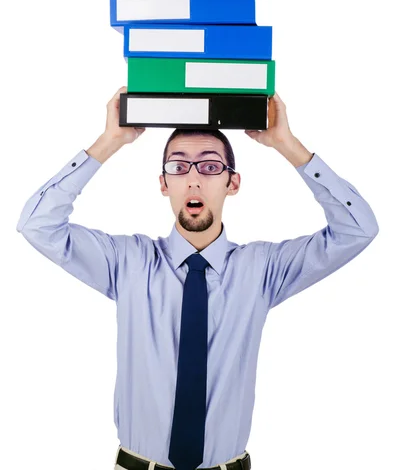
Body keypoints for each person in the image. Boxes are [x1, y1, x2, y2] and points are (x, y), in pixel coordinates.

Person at [16, 85, 379, 470]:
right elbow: (38, 226)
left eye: (209, 167)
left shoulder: (262, 270)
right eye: (177, 166)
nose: (193, 180)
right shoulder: (127, 263)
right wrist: (110, 141)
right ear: (163, 183)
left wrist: (288, 145)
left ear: (232, 183)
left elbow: (357, 231)